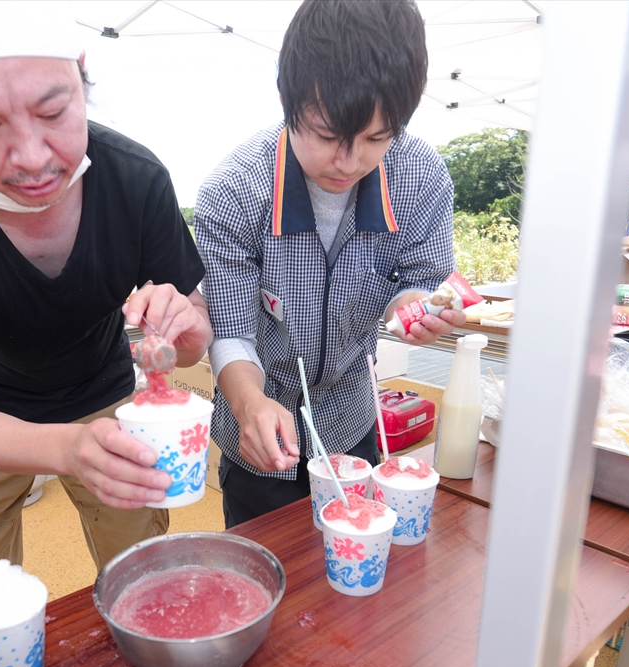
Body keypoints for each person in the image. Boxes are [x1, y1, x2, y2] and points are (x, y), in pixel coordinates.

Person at [0, 3, 213, 570]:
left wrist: (184, 328)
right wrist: (63, 447)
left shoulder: (135, 180)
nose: (33, 157)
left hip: (108, 397)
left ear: (81, 73)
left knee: (145, 570)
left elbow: (192, 342)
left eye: (53, 111)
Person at [195, 0, 463, 528]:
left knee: (358, 565)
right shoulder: (234, 192)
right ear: (286, 98)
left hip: (349, 421)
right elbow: (230, 330)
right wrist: (249, 402)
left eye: (375, 139)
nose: (348, 162)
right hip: (258, 426)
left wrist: (417, 309)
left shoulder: (422, 179)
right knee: (271, 571)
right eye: (325, 135)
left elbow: (417, 283)